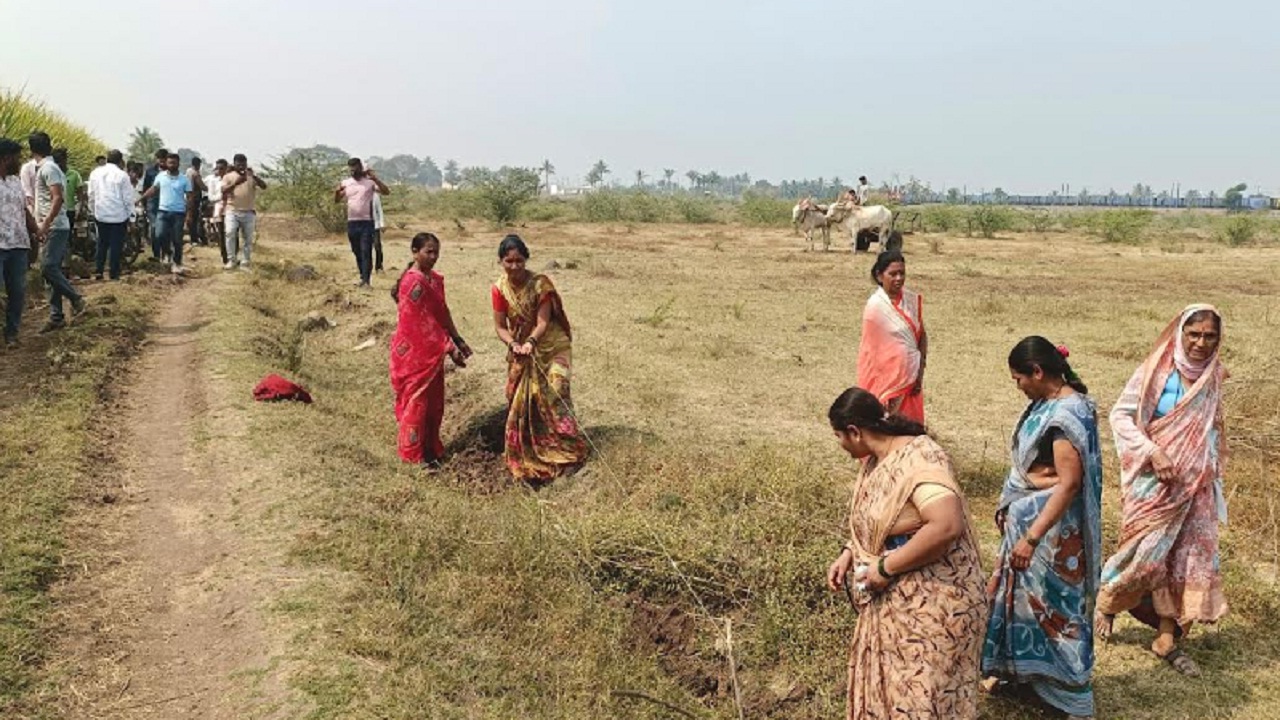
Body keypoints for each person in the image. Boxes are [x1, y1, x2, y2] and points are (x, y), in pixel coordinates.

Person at [825, 387, 987, 719]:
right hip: (897, 603)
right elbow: (880, 519)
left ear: (855, 432)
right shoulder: (875, 460)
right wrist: (849, 552)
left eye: (839, 436)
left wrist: (884, 568)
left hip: (936, 607)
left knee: (922, 703)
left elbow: (945, 525)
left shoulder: (919, 460)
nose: (840, 445)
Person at [1095, 305, 1227, 677]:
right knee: (1146, 553)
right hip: (1154, 482)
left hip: (1196, 485)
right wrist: (1153, 453)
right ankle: (1108, 599)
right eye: (1194, 334)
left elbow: (1211, 430)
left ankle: (1168, 636)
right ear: (1180, 333)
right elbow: (1120, 415)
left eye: (1209, 336)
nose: (1200, 343)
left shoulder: (1213, 376)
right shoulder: (1158, 369)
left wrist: (1210, 475)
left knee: (1186, 559)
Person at [983, 337, 1103, 720]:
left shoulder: (1065, 417)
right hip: (1036, 533)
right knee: (1029, 609)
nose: (1018, 386)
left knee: (1057, 613)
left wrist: (1031, 538)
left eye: (1019, 378)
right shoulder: (1051, 404)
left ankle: (1070, 698)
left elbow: (1069, 483)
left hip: (1051, 541)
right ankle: (1030, 680)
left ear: (1038, 372)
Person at [490, 234, 588, 482]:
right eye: (509, 261)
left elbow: (543, 322)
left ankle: (567, 451)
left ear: (526, 259)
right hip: (520, 349)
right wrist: (514, 344)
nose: (514, 267)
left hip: (552, 346)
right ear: (501, 261)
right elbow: (500, 326)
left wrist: (531, 342)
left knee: (556, 391)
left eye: (519, 260)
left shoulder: (540, 284)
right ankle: (534, 450)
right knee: (525, 399)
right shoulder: (499, 289)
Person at [389, 232, 473, 469]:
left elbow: (442, 313)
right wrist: (448, 346)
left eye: (436, 252)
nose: (434, 257)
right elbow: (417, 323)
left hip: (432, 352)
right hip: (415, 353)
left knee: (435, 404)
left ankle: (430, 449)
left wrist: (458, 339)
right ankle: (412, 457)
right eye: (429, 252)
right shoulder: (412, 283)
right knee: (417, 404)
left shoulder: (433, 279)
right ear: (414, 252)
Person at [856, 250, 927, 424]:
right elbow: (872, 351)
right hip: (884, 382)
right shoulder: (875, 307)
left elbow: (921, 336)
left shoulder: (910, 301)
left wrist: (919, 372)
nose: (899, 278)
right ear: (880, 276)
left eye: (902, 273)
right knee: (881, 427)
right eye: (893, 274)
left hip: (911, 380)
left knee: (909, 429)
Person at [31, 131, 85, 332]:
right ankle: (56, 316)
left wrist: (45, 223)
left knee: (48, 267)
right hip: (52, 225)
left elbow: (57, 198)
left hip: (55, 226)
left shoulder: (49, 168)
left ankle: (76, 299)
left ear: (32, 149)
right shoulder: (50, 167)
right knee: (48, 273)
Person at [1, 138, 38, 348]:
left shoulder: (16, 182)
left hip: (17, 245)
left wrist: (37, 231)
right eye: (16, 157)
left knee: (18, 291)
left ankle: (11, 333)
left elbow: (24, 211)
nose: (19, 161)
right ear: (6, 158)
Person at [335, 158, 389, 288]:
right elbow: (337, 200)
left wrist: (375, 179)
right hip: (352, 223)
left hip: (367, 222)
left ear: (361, 168)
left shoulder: (369, 183)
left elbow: (386, 192)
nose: (353, 171)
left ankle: (366, 280)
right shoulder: (346, 183)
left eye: (355, 168)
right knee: (356, 250)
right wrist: (337, 192)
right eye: (351, 169)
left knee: (366, 251)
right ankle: (362, 276)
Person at [137, 152, 191, 274]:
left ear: (178, 163)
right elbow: (153, 189)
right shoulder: (161, 176)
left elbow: (189, 197)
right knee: (159, 234)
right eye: (169, 162)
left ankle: (177, 263)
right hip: (162, 211)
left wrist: (188, 215)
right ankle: (167, 252)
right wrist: (141, 199)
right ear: (166, 163)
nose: (171, 165)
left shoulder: (184, 179)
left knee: (177, 240)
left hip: (178, 213)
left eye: (174, 162)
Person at [88, 150, 135, 281]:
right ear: (120, 161)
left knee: (101, 243)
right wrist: (132, 218)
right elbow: (128, 199)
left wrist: (93, 211)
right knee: (116, 244)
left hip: (101, 214)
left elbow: (91, 195)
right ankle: (114, 273)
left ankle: (99, 270)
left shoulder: (95, 173)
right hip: (118, 215)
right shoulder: (122, 175)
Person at [220, 153, 266, 270]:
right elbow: (223, 190)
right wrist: (236, 182)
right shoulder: (228, 176)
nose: (241, 166)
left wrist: (254, 176)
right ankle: (231, 260)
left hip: (248, 212)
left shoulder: (251, 176)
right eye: (238, 163)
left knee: (248, 238)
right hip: (232, 210)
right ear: (234, 164)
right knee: (230, 233)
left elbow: (264, 186)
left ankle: (245, 261)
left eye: (243, 163)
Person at [141, 148, 167, 260]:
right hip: (152, 203)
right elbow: (145, 188)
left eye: (163, 160)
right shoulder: (150, 171)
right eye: (159, 160)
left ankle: (165, 253)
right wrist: (144, 203)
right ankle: (156, 254)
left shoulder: (171, 171)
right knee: (154, 228)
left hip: (166, 203)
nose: (161, 162)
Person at [205, 158, 229, 265]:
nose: (220, 171)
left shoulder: (231, 180)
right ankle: (225, 258)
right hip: (219, 210)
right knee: (222, 235)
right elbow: (211, 197)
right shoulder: (213, 181)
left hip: (232, 210)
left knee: (232, 234)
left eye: (222, 169)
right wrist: (222, 196)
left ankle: (233, 256)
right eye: (218, 169)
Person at [53, 148, 85, 227]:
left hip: (70, 211)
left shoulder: (74, 174)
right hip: (56, 211)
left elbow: (80, 194)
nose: (59, 164)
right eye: (56, 162)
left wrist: (79, 208)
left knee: (70, 235)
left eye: (61, 161)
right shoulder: (52, 174)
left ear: (65, 159)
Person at [184, 156, 207, 248]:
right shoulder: (195, 173)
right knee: (195, 219)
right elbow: (202, 186)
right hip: (195, 197)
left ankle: (192, 237)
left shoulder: (187, 172)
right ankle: (195, 238)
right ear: (198, 164)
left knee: (190, 217)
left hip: (187, 196)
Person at [372, 190, 386, 273]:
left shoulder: (375, 195)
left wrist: (382, 224)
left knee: (377, 246)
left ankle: (379, 266)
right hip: (364, 226)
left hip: (375, 226)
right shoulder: (359, 194)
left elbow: (379, 210)